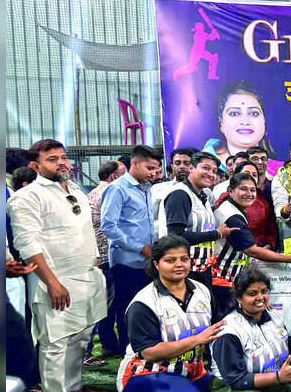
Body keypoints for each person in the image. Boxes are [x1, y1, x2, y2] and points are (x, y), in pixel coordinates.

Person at [7, 139, 109, 392]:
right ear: (35, 166)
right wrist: (51, 282)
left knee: (81, 337)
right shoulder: (27, 197)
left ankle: (74, 386)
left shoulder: (75, 189)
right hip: (56, 280)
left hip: (88, 276)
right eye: (52, 159)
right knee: (55, 342)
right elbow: (27, 243)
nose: (61, 163)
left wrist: (95, 260)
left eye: (63, 157)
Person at [117, 235, 227, 392]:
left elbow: (219, 326)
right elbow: (149, 352)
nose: (179, 265)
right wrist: (196, 340)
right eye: (170, 260)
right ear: (156, 264)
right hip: (145, 374)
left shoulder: (202, 290)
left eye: (184, 259)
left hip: (192, 372)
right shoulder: (143, 302)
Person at [208, 172, 291, 318]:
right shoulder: (232, 216)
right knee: (226, 323)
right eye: (243, 189)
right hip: (223, 280)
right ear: (231, 191)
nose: (249, 194)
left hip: (227, 278)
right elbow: (252, 251)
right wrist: (290, 258)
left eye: (252, 190)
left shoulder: (230, 207)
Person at [101, 145, 161, 357]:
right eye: (149, 168)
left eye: (156, 169)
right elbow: (109, 227)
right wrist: (139, 247)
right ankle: (129, 354)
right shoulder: (118, 189)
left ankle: (143, 350)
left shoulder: (147, 188)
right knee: (127, 309)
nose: (153, 173)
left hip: (146, 260)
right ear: (134, 163)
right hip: (126, 262)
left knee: (144, 308)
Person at [155, 151, 238, 288]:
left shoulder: (204, 196)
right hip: (182, 270)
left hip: (201, 269)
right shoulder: (180, 194)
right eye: (205, 168)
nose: (210, 174)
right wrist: (217, 234)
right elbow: (176, 236)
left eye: (214, 171)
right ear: (191, 168)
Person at [84, 160, 125, 366]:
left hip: (98, 256)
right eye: (124, 174)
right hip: (107, 257)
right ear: (114, 176)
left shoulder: (92, 193)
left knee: (106, 305)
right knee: (106, 306)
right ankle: (94, 348)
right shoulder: (110, 192)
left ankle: (108, 344)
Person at [216, 81, 273, 164]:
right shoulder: (208, 166)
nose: (245, 122)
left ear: (264, 121)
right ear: (221, 123)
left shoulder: (279, 170)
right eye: (234, 113)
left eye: (254, 113)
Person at [243, 146, 278, 249]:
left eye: (263, 159)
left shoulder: (275, 186)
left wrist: (270, 244)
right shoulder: (239, 190)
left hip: (272, 240)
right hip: (246, 241)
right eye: (255, 159)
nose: (260, 162)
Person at [151, 149, 197, 223]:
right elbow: (151, 218)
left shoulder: (204, 192)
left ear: (193, 166)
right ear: (172, 166)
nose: (182, 166)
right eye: (177, 163)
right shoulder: (158, 189)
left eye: (186, 163)